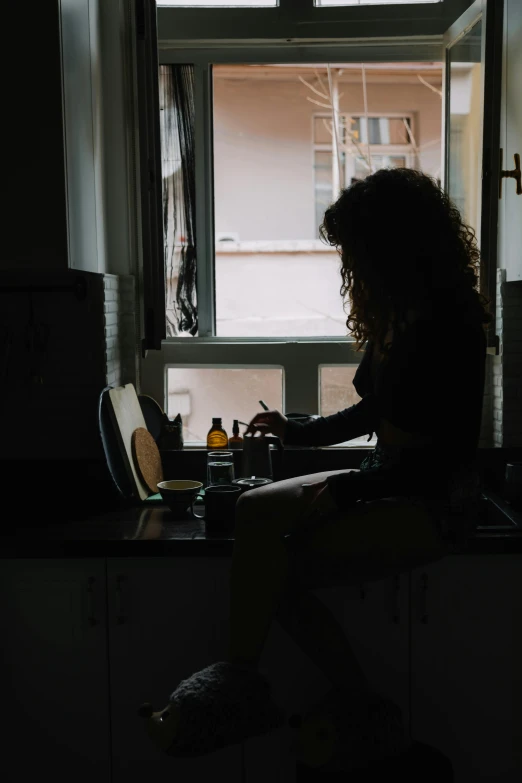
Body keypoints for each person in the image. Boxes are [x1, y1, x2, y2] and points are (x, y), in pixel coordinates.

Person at [143, 168, 490, 760]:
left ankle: (350, 703)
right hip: (388, 479)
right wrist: (298, 426)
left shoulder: (452, 322)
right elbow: (373, 413)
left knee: (272, 570)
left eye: (357, 250)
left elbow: (441, 454)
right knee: (256, 516)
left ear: (393, 245)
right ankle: (243, 684)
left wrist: (350, 492)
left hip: (432, 501)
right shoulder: (400, 316)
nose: (351, 266)